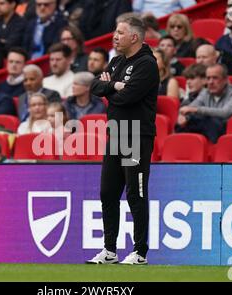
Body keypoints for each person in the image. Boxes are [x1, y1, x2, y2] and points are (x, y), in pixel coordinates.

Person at [87, 13, 159, 265]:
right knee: (108, 192)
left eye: (120, 33)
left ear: (135, 36)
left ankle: (139, 252)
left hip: (137, 134)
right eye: (115, 32)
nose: (115, 37)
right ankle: (109, 250)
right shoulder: (117, 61)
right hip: (116, 133)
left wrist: (112, 88)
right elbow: (94, 87)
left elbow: (126, 98)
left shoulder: (147, 64)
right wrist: (114, 87)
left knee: (135, 194)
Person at [175, 64, 232, 143]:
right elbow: (191, 106)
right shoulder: (206, 92)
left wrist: (196, 110)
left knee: (212, 121)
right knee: (186, 122)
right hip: (206, 131)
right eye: (208, 78)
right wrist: (184, 116)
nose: (211, 82)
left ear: (225, 80)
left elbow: (225, 113)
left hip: (224, 134)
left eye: (215, 78)